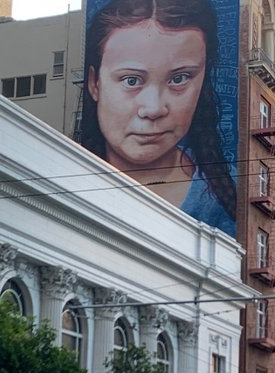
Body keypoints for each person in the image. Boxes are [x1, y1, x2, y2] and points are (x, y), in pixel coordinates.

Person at [81, 0, 236, 237]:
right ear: (94, 83)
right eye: (131, 80)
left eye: (179, 79)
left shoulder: (231, 195)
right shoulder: (65, 183)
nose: (153, 109)